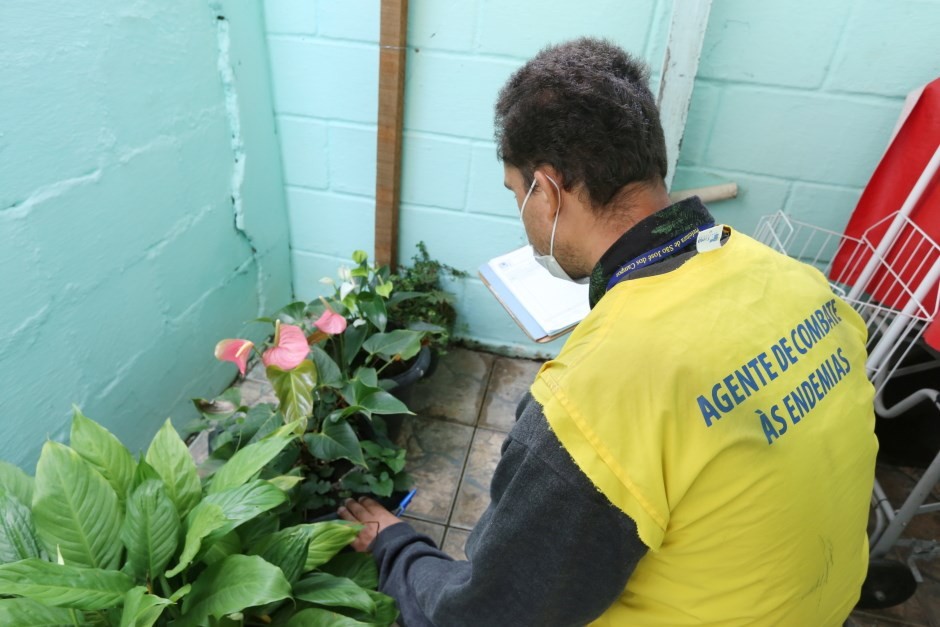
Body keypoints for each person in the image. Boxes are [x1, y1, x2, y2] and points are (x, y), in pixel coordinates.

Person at [338, 37, 877, 626]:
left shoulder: (593, 399)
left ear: (546, 191)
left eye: (517, 196)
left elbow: (488, 615)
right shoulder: (800, 282)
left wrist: (397, 548)